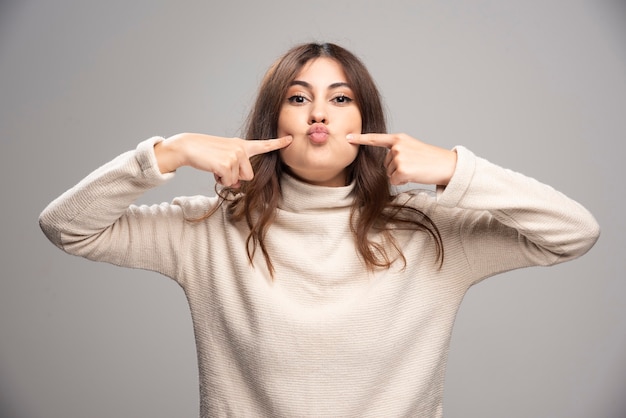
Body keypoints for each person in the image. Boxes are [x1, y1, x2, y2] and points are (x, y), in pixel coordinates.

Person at [39, 42, 600, 417]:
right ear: (274, 121)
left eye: (340, 98)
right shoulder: (208, 228)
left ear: (364, 121)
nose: (318, 115)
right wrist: (170, 152)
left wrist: (457, 168)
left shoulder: (431, 231)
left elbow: (575, 232)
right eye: (299, 97)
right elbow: (66, 226)